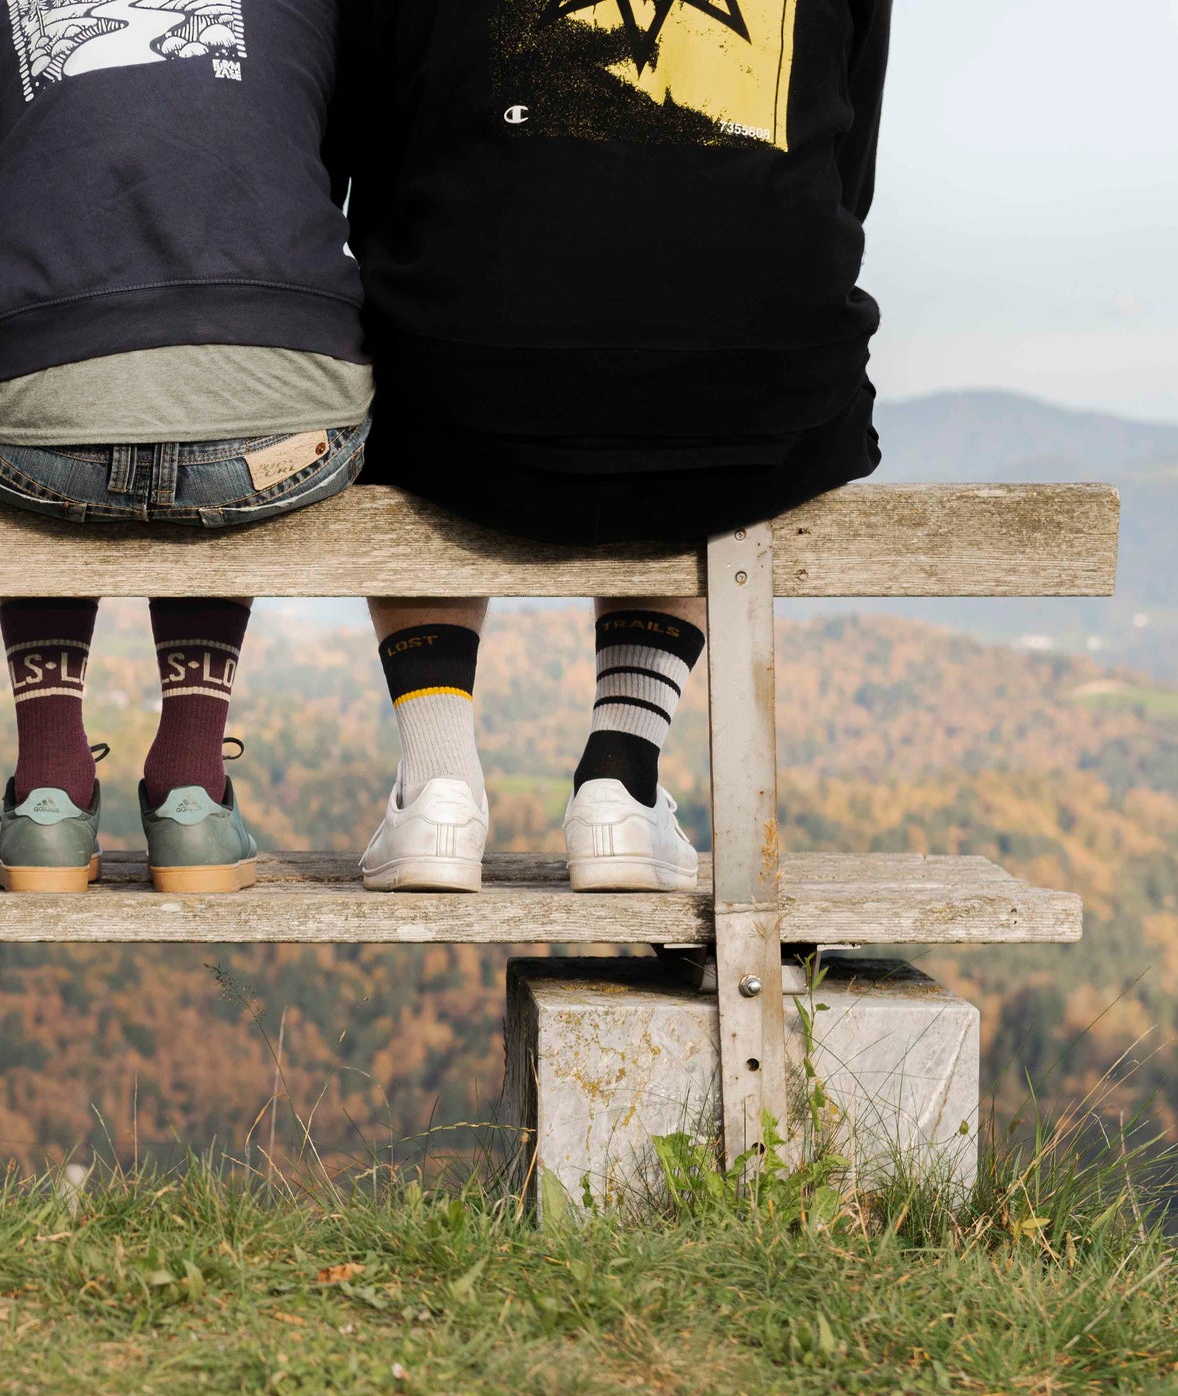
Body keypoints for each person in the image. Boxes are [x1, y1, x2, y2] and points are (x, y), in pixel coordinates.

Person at [340, 0, 891, 892]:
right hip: (762, 395)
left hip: (461, 382)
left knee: (407, 345)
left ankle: (438, 783)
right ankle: (621, 781)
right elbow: (846, 163)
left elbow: (370, 144)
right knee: (709, 335)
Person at [0, 0, 373, 894]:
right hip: (280, 438)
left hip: (34, 442)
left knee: (51, 369)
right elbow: (319, 158)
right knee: (224, 385)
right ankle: (192, 790)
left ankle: (49, 787)